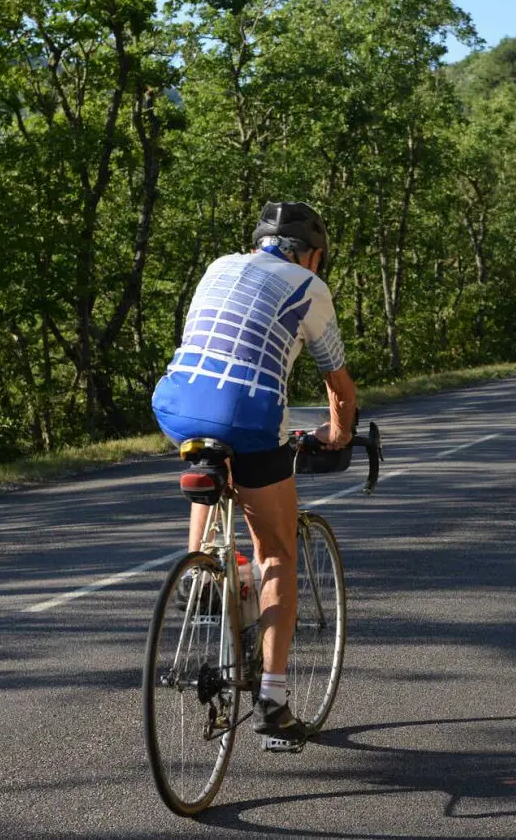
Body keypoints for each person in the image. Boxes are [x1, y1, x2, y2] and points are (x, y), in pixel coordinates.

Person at [151, 201, 356, 746]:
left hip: (176, 406)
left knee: (215, 460)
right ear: (312, 255)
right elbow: (338, 385)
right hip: (249, 412)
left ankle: (202, 573)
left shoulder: (218, 266)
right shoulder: (309, 286)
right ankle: (272, 701)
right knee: (277, 553)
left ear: (257, 243)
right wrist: (338, 434)